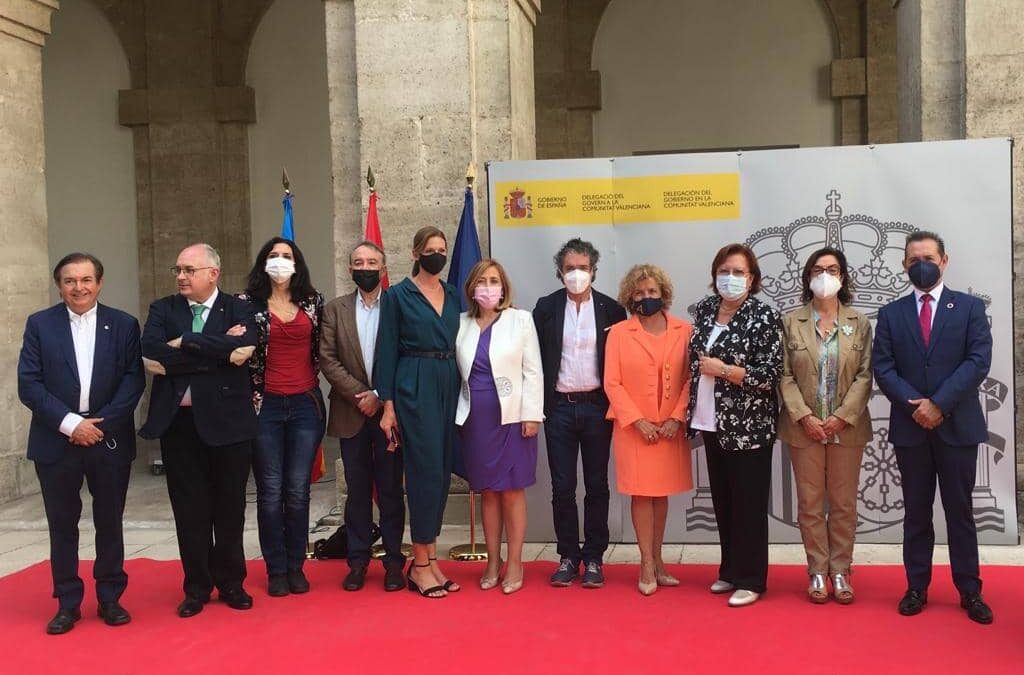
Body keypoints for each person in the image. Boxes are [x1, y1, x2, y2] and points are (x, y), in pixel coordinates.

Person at [17, 253, 145, 635]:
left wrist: (98, 426)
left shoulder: (123, 324)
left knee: (110, 521)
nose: (79, 287)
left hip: (108, 436)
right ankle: (67, 602)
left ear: (99, 283)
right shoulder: (40, 324)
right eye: (70, 281)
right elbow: (29, 384)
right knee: (62, 524)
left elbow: (133, 381)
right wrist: (72, 424)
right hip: (56, 438)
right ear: (59, 285)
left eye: (86, 279)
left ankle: (110, 597)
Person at [872, 231, 993, 624]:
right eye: (913, 259)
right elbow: (884, 368)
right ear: (904, 265)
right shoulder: (891, 314)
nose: (920, 265)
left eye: (928, 258)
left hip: (957, 427)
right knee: (916, 514)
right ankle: (916, 587)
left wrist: (939, 404)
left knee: (960, 513)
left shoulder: (970, 308)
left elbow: (977, 361)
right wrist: (918, 407)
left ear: (944, 261)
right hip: (912, 429)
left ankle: (970, 590)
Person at [140, 243, 259, 618]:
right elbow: (152, 354)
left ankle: (231, 583)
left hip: (229, 425)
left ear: (213, 273)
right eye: (178, 269)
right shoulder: (163, 309)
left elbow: (245, 348)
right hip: (179, 425)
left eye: (189, 270)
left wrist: (186, 342)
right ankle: (196, 587)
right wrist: (218, 353)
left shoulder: (238, 308)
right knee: (189, 510)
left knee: (230, 507)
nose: (181, 276)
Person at [687, 242, 783, 607]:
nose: (730, 278)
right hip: (711, 422)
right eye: (724, 271)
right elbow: (694, 359)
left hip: (749, 426)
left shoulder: (764, 316)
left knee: (748, 505)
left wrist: (724, 370)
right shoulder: (706, 309)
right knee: (724, 501)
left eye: (738, 272)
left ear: (752, 278)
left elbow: (769, 374)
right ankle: (729, 570)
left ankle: (751, 578)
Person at [778, 247, 873, 604]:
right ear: (807, 277)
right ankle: (818, 570)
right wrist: (804, 416)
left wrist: (841, 417)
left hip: (847, 429)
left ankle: (841, 570)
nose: (825, 276)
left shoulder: (859, 323)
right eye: (818, 270)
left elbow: (865, 375)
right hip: (803, 429)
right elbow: (784, 375)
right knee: (810, 504)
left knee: (844, 504)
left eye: (832, 270)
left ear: (843, 277)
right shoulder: (791, 322)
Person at [533, 238, 626, 589]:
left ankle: (595, 557)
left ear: (594, 271)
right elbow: (535, 359)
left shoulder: (612, 310)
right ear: (560, 271)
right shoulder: (545, 308)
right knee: (562, 487)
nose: (576, 274)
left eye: (583, 268)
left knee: (597, 484)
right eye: (570, 268)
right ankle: (568, 556)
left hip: (597, 407)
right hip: (559, 407)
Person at [376, 226, 461, 599]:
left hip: (448, 382)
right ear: (415, 253)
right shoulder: (397, 296)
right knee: (424, 473)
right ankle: (420, 565)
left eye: (442, 249)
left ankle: (432, 558)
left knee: (441, 473)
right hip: (415, 383)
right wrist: (388, 405)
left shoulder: (453, 294)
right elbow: (386, 351)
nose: (437, 255)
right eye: (430, 249)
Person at [238, 237, 325, 597]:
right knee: (271, 491)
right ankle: (275, 569)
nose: (279, 261)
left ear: (297, 263)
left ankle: (296, 566)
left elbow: (322, 348)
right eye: (273, 256)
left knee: (298, 490)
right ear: (263, 263)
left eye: (286, 256)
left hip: (305, 405)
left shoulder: (312, 301)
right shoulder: (245, 304)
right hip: (265, 407)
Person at [320, 241, 406, 593]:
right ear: (350, 269)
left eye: (372, 262)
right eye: (359, 262)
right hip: (351, 411)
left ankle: (394, 562)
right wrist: (362, 395)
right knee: (356, 491)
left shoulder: (398, 306)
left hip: (389, 413)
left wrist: (381, 396)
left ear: (384, 269)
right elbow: (327, 359)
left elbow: (406, 355)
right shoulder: (334, 309)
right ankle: (357, 561)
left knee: (390, 490)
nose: (365, 267)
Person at [604, 264, 693, 596]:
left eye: (652, 291)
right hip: (634, 429)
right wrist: (637, 420)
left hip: (670, 428)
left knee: (661, 493)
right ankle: (645, 563)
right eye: (639, 292)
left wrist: (676, 417)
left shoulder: (685, 330)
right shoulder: (618, 333)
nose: (646, 297)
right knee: (642, 494)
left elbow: (691, 379)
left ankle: (659, 561)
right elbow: (612, 382)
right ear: (630, 297)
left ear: (663, 294)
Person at [455, 259, 543, 595]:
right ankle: (493, 561)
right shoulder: (461, 324)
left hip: (513, 418)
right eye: (482, 281)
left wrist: (532, 414)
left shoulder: (520, 320)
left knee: (512, 490)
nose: (488, 287)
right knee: (488, 492)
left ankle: (516, 561)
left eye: (494, 281)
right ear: (471, 289)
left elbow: (533, 370)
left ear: (503, 287)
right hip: (475, 420)